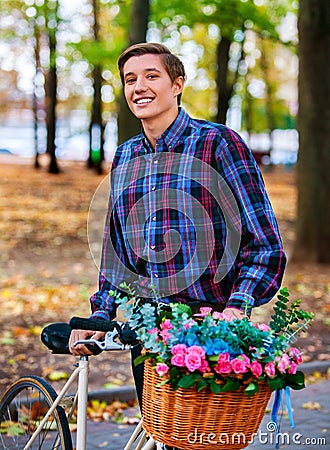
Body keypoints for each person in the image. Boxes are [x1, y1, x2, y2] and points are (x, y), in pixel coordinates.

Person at [69, 42, 286, 448]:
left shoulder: (218, 144)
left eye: (152, 76)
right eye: (130, 79)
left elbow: (265, 244)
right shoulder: (126, 155)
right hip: (148, 330)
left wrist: (238, 308)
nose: (139, 87)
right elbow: (117, 251)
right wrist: (100, 315)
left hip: (209, 331)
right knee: (163, 436)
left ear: (178, 84)